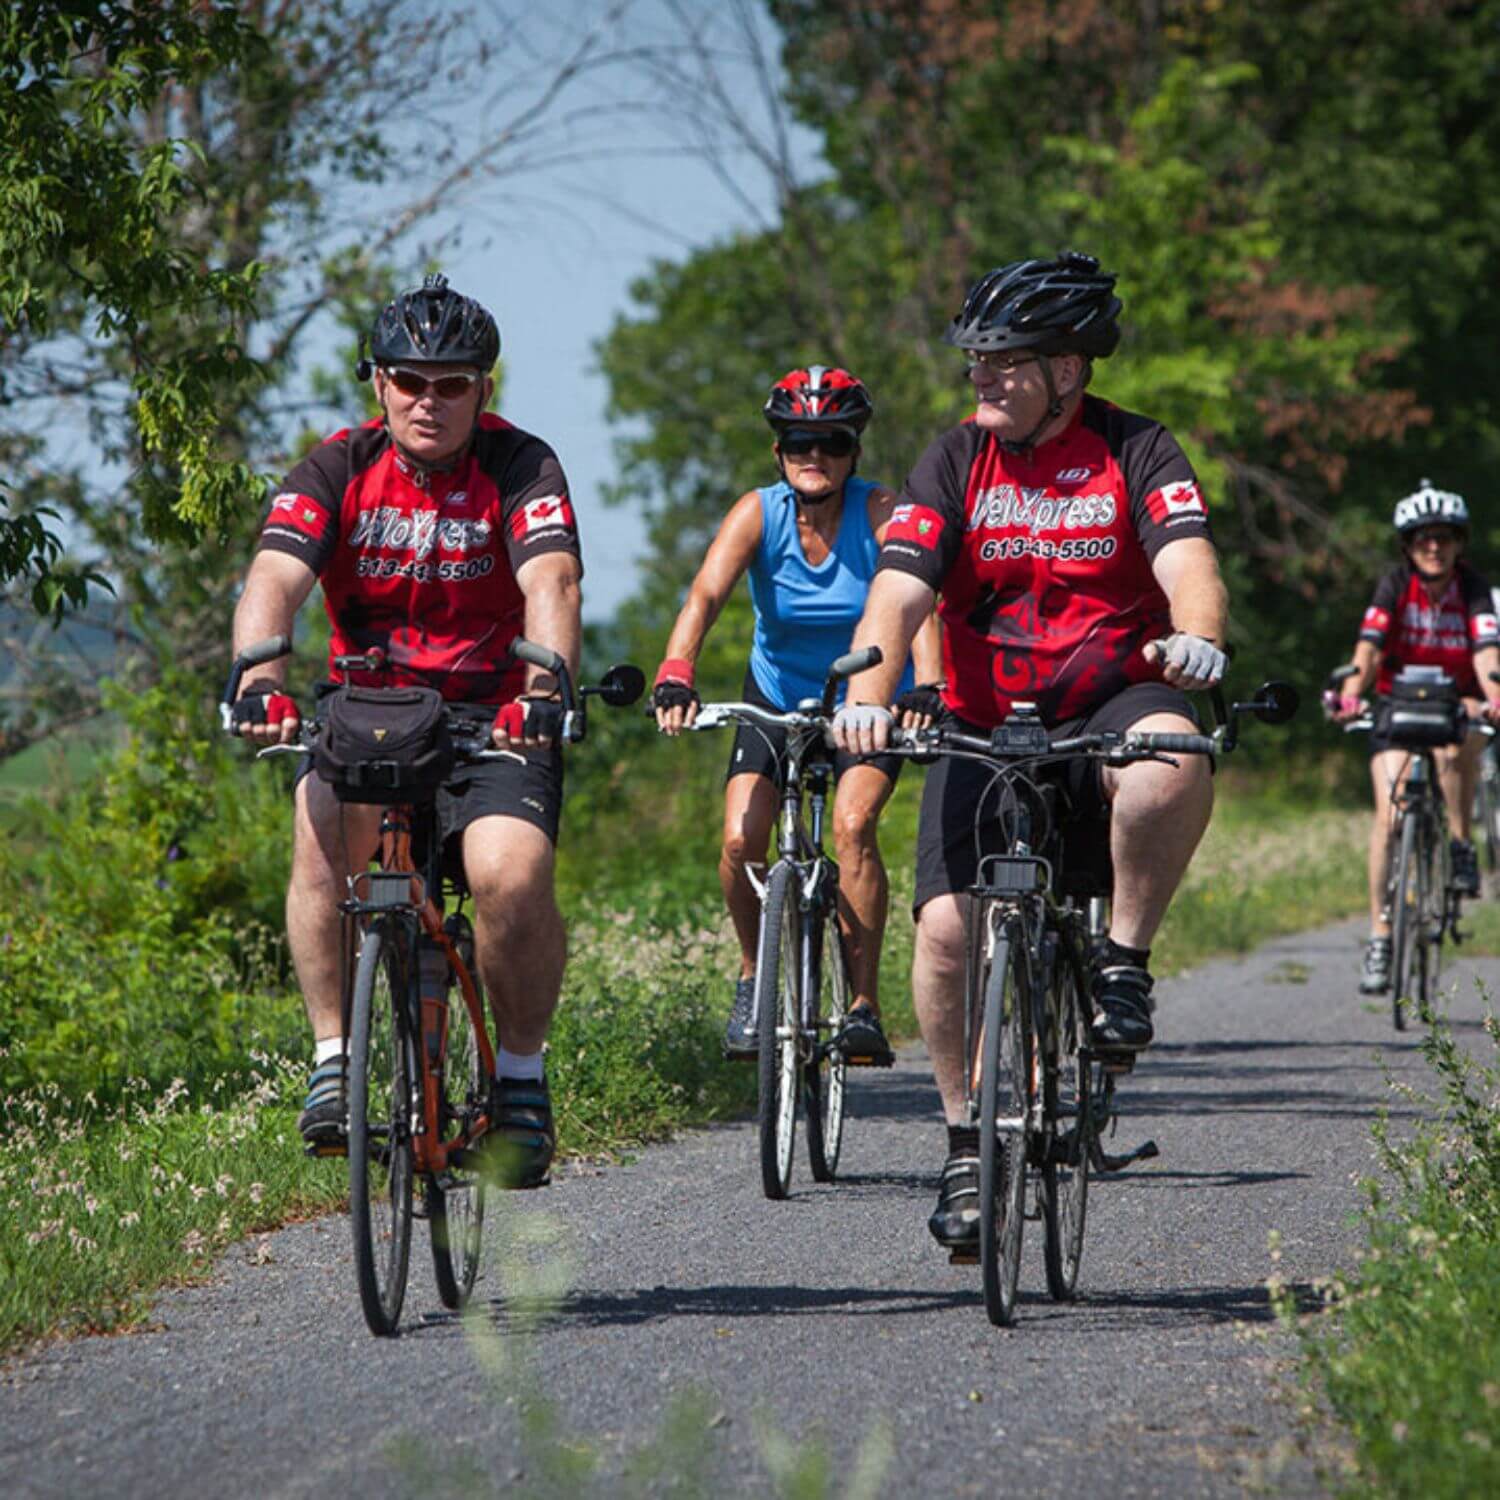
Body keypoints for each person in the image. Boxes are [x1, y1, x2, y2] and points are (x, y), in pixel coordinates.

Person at [828, 251, 1231, 1252]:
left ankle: (1124, 961)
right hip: (978, 707)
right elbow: (901, 592)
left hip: (1109, 690)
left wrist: (1199, 636)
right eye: (978, 360)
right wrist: (868, 700)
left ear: (1070, 368)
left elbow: (1190, 564)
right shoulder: (955, 459)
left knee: (1172, 758)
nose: (984, 378)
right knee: (950, 937)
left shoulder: (1138, 450)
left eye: (1007, 361)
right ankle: (967, 1145)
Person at [229, 274, 582, 1188]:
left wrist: (544, 688)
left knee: (509, 874)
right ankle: (335, 1058)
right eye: (411, 381)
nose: (431, 400)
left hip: (494, 714)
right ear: (377, 384)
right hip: (369, 713)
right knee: (319, 840)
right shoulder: (337, 466)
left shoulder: (521, 465)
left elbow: (553, 583)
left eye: (453, 382)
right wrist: (261, 676)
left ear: (483, 391)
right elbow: (273, 577)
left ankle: (521, 1078)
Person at [653, 366, 942, 1065]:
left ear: (855, 451)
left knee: (851, 826)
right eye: (798, 443)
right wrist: (676, 671)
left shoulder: (880, 511)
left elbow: (919, 600)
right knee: (738, 841)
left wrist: (926, 685)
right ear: (777, 450)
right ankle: (755, 978)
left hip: (868, 698)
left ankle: (862, 1006)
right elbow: (705, 595)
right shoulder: (758, 512)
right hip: (777, 692)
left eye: (833, 443)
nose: (815, 457)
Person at [1326, 480, 1500, 994]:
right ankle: (1381, 935)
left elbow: (1487, 653)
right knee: (1391, 815)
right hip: (1398, 708)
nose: (1433, 547)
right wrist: (1351, 694)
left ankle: (1461, 843)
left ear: (1459, 543)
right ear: (1407, 545)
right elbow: (1369, 648)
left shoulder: (1474, 589)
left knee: (1460, 741)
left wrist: (1495, 691)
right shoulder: (1393, 586)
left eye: (1443, 538)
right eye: (1423, 538)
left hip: (1456, 703)